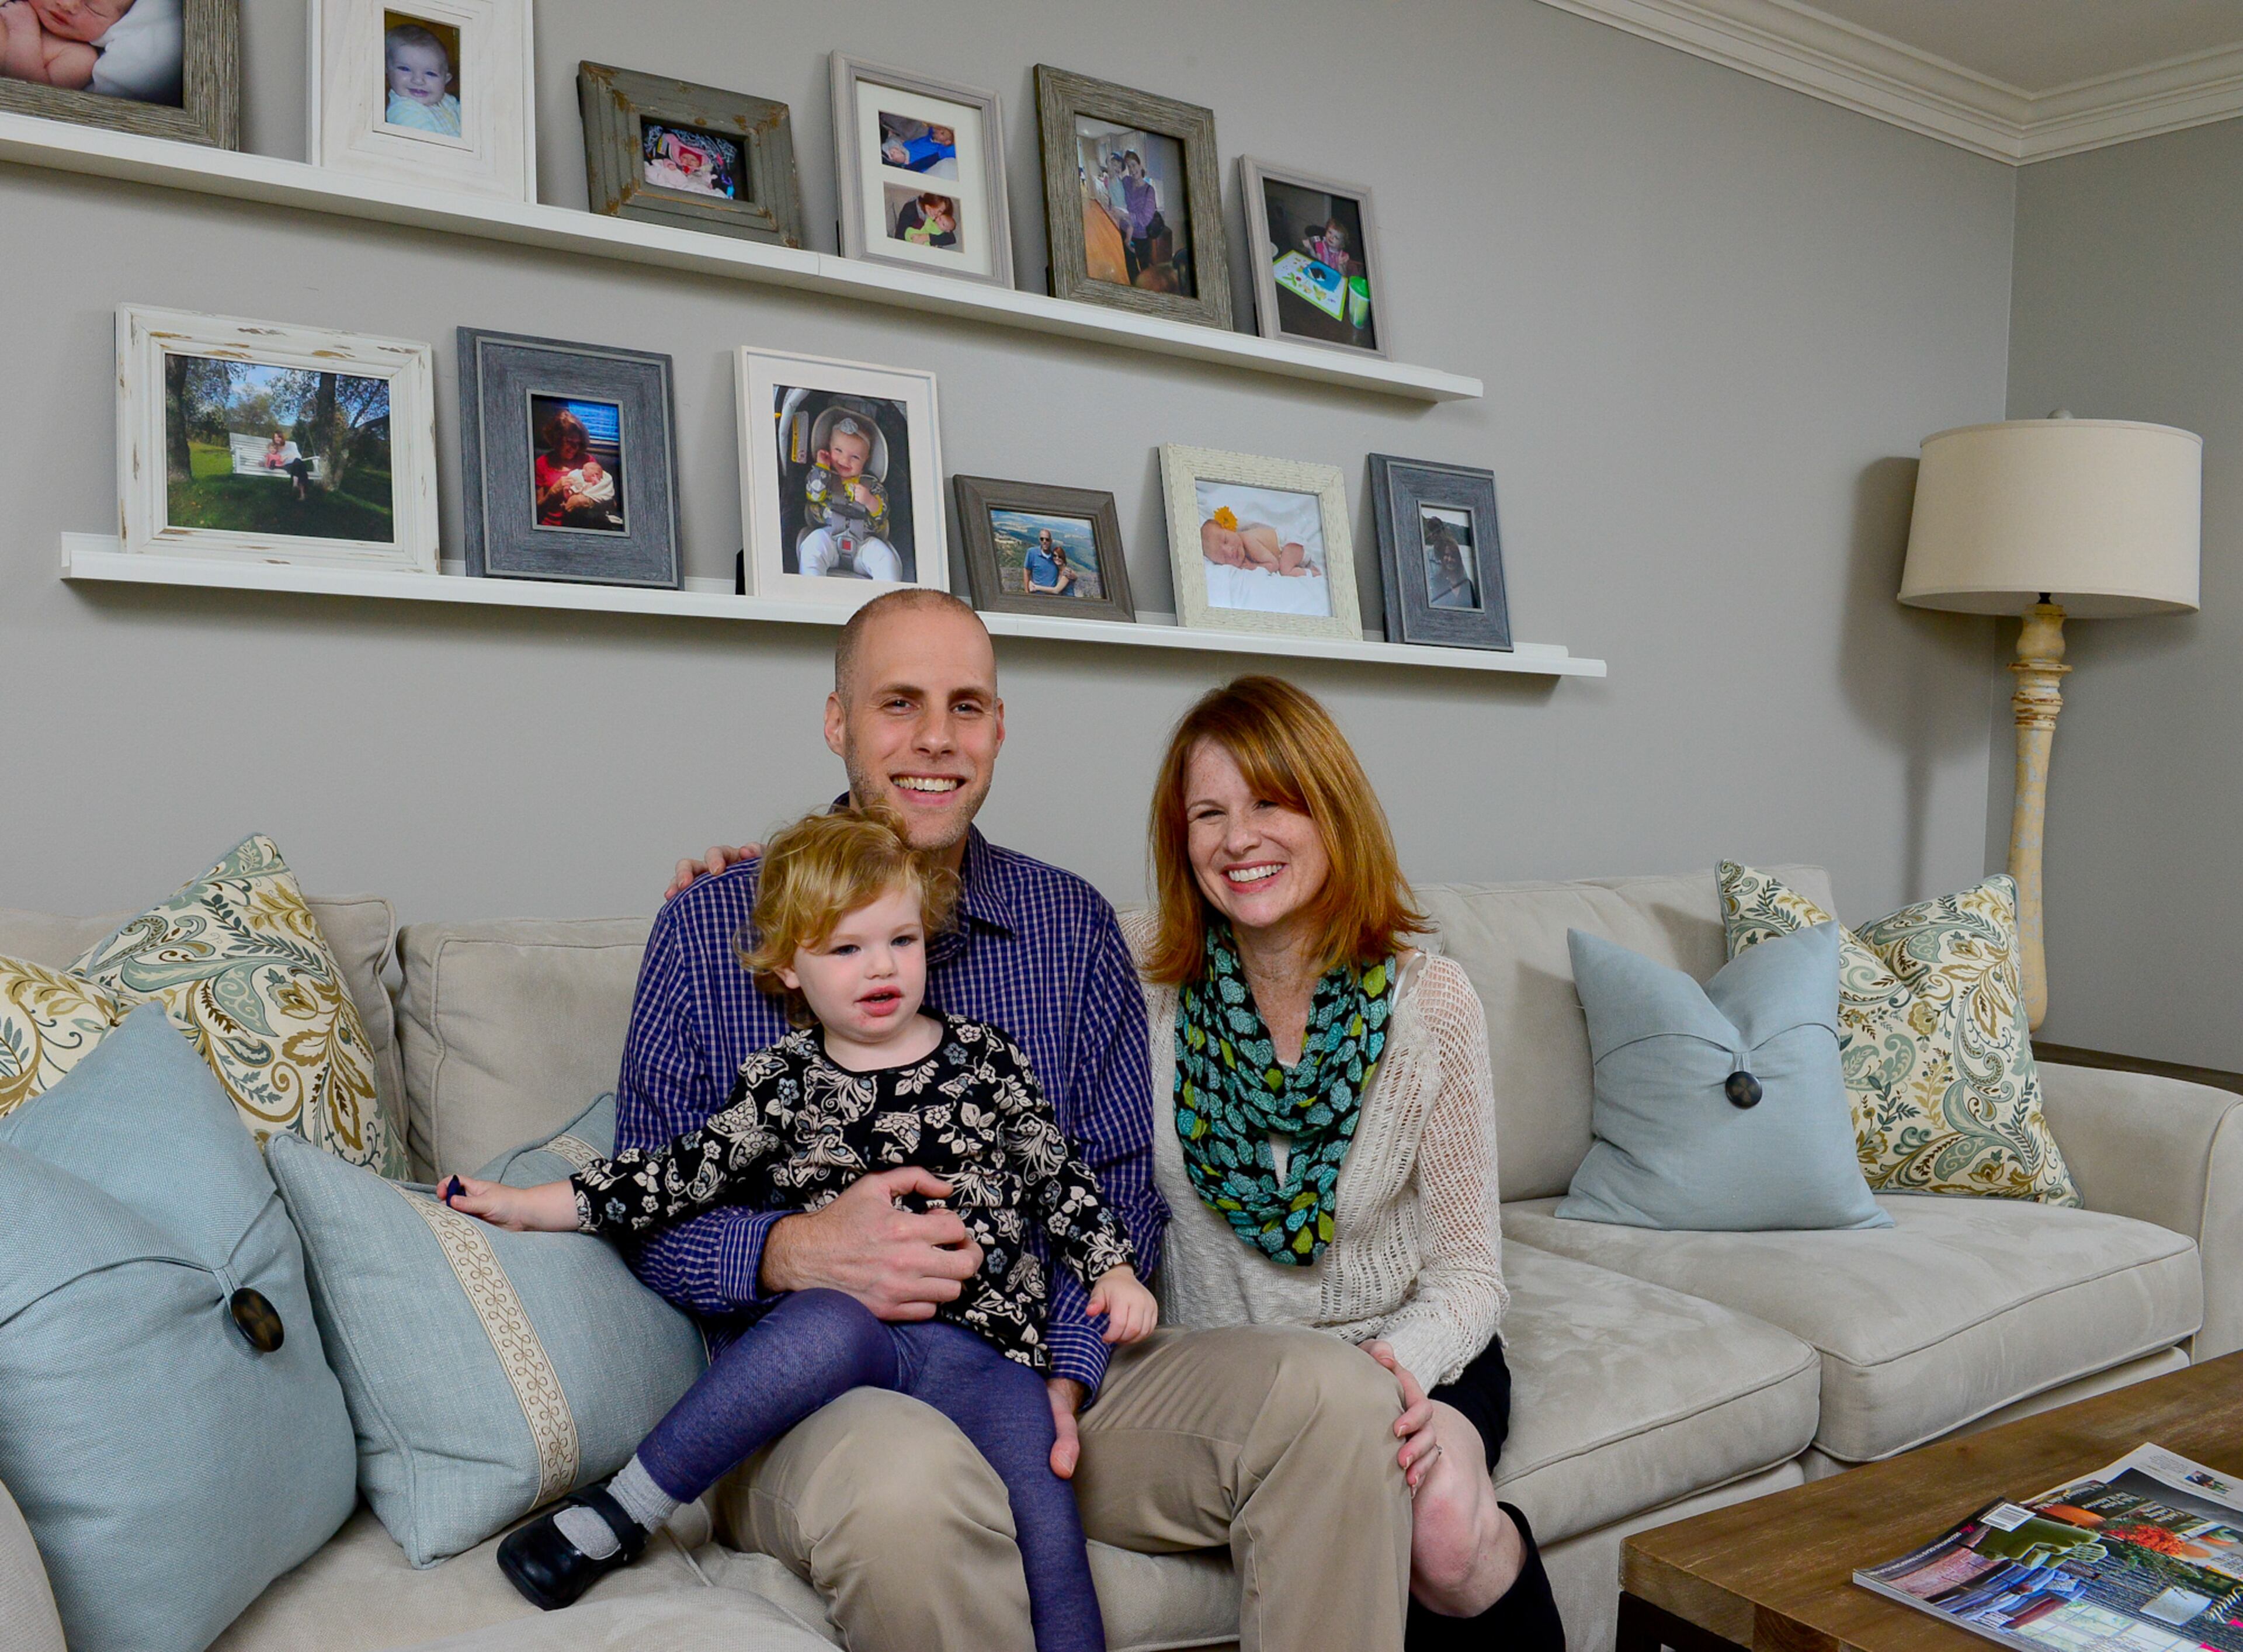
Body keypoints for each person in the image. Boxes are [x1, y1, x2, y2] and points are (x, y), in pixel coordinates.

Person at [655, 589, 1420, 1652]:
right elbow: (644, 1210)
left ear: (999, 728)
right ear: (837, 721)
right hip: (821, 1400)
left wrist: (1068, 1358)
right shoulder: (714, 927)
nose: (937, 737)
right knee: (911, 1490)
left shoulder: (1070, 925)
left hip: (1047, 1377)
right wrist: (795, 1250)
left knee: (1336, 1400)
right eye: (899, 703)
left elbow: (1120, 1183)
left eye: (966, 706)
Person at [442, 804, 1157, 1650]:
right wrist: (531, 1204)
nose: (880, 966)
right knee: (819, 1322)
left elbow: (1062, 1178)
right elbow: (676, 1175)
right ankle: (623, 1509)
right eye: (845, 950)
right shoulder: (784, 1081)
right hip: (847, 1342)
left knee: (1047, 1506)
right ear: (789, 967)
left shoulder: (988, 1059)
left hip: (985, 1351)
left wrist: (1113, 1270)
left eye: (901, 940)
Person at [1134, 675, 1564, 1651]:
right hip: (1237, 1373)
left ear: (1332, 812)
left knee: (1443, 1530)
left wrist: (1394, 1374)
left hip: (1406, 1351)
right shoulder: (1149, 999)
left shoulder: (1432, 1003)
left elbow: (1471, 1276)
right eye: (1209, 813)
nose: (1239, 839)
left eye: (1270, 802)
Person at [0, 0, 180, 104]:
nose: (68, 5)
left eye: (93, 9)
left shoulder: (78, 57)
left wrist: (22, 31)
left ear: (115, 23)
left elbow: (33, 97)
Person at [797, 414, 902, 581]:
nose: (845, 460)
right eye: (838, 451)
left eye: (855, 457)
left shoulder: (872, 485)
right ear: (829, 447)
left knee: (887, 560)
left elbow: (882, 516)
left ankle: (888, 596)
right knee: (812, 548)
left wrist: (870, 501)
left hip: (863, 542)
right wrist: (822, 468)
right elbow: (814, 495)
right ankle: (813, 590)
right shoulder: (824, 476)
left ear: (866, 459)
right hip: (829, 535)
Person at [534, 410, 614, 530]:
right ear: (557, 439)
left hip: (583, 525)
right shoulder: (541, 463)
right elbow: (537, 509)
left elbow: (610, 501)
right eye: (569, 442)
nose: (575, 448)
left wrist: (586, 501)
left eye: (578, 443)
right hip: (552, 527)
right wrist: (552, 493)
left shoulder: (588, 462)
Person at [383, 21, 460, 137]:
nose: (418, 81)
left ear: (446, 80)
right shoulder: (403, 111)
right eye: (405, 69)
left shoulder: (446, 100)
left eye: (430, 74)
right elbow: (430, 145)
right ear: (387, 70)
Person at [1202, 506, 1320, 578]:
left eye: (1226, 540)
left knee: (1285, 571)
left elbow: (1273, 565)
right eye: (1224, 558)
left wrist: (1253, 567)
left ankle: (1314, 574)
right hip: (1288, 553)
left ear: (1229, 529)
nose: (1229, 552)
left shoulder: (1248, 540)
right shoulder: (1243, 549)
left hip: (1292, 545)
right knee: (1286, 565)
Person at [1022, 527, 1078, 597]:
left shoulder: (1063, 569)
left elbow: (1056, 590)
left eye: (1047, 539)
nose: (1044, 541)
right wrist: (1027, 592)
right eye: (1042, 539)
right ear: (1039, 540)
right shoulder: (1032, 552)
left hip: (1055, 598)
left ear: (1051, 541)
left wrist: (1036, 587)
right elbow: (1026, 571)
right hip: (1037, 596)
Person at [263, 430, 313, 501]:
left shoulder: (290, 445)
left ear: (282, 438)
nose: (277, 439)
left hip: (296, 463)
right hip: (286, 465)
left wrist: (288, 456)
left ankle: (295, 486)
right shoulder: (275, 448)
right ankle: (302, 494)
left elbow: (298, 456)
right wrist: (262, 462)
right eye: (275, 437)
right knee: (301, 468)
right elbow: (269, 456)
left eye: (279, 437)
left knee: (298, 463)